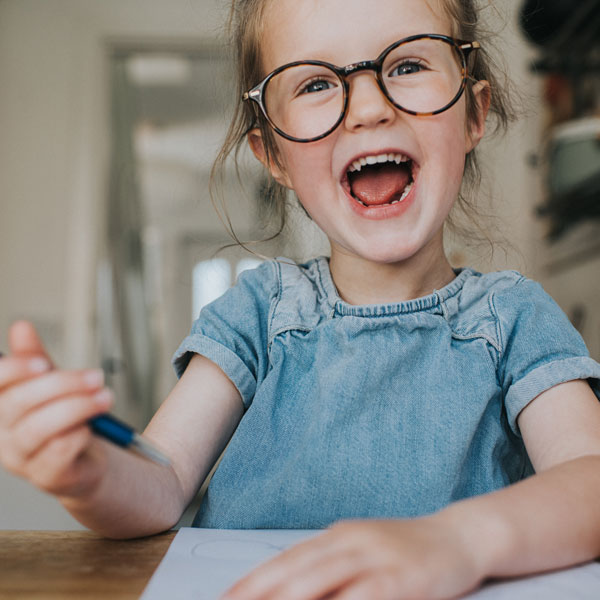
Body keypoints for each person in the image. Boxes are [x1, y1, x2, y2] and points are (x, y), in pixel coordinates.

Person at [2, 0, 600, 598]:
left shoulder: (515, 319)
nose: (369, 108)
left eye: (409, 66)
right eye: (316, 82)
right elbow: (159, 486)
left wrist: (459, 541)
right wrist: (89, 473)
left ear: (474, 114)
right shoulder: (258, 314)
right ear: (274, 156)